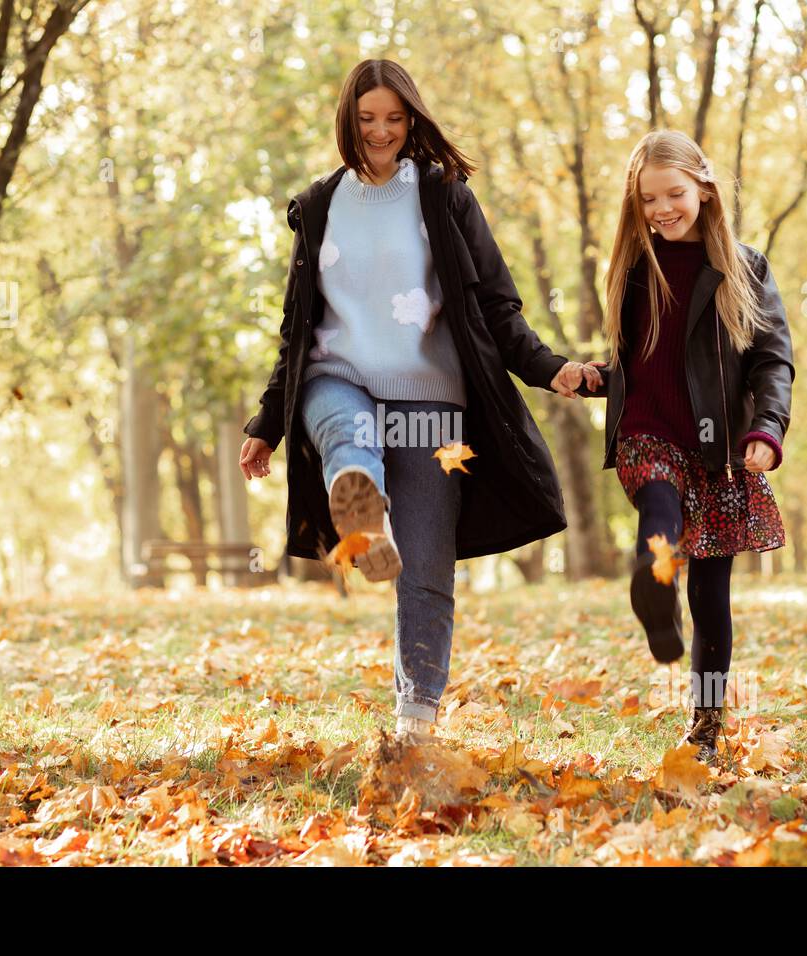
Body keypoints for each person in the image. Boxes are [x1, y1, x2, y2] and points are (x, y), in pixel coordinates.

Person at [239, 59, 602, 739]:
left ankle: (415, 725)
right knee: (349, 433)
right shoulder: (319, 204)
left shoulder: (445, 197)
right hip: (334, 375)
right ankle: (361, 508)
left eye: (394, 119)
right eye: (367, 118)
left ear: (413, 120)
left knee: (427, 567)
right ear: (347, 119)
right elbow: (298, 327)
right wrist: (267, 420)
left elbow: (496, 304)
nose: (380, 132)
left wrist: (549, 368)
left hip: (430, 400)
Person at [579, 130, 794, 765]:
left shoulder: (745, 268)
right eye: (648, 199)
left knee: (711, 598)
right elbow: (644, 362)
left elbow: (772, 360)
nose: (662, 208)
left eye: (675, 194)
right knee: (659, 509)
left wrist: (767, 430)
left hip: (721, 446)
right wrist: (602, 379)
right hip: (650, 430)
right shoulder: (632, 270)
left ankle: (706, 721)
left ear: (704, 188)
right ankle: (653, 574)